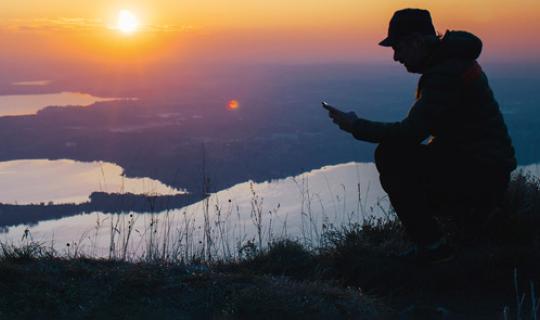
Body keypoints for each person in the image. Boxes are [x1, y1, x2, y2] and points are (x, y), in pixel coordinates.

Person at [325, 8, 516, 263]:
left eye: (398, 47)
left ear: (416, 41)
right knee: (407, 157)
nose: (396, 57)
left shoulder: (445, 74)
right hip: (485, 169)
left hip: (481, 175)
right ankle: (470, 225)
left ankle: (433, 248)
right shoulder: (452, 62)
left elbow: (410, 133)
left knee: (391, 155)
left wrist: (356, 126)